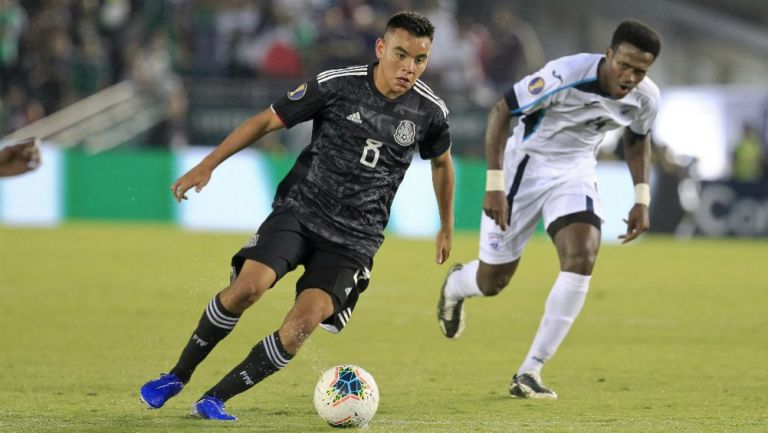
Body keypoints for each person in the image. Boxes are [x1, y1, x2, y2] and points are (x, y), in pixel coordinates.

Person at [140, 11, 454, 421]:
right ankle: (177, 376)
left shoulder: (429, 111)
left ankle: (215, 398)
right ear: (381, 48)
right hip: (302, 210)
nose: (409, 68)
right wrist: (209, 163)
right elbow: (267, 120)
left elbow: (441, 164)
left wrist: (445, 226)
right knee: (248, 288)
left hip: (354, 240)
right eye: (401, 54)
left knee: (301, 324)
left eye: (420, 59)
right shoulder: (337, 84)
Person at [436, 20, 661, 399]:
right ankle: (458, 284)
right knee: (494, 281)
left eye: (640, 70)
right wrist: (495, 185)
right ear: (609, 55)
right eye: (625, 65)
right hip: (525, 165)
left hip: (575, 171)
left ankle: (530, 370)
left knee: (582, 255)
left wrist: (642, 197)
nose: (630, 76)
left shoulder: (646, 98)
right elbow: (501, 111)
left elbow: (637, 141)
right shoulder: (565, 73)